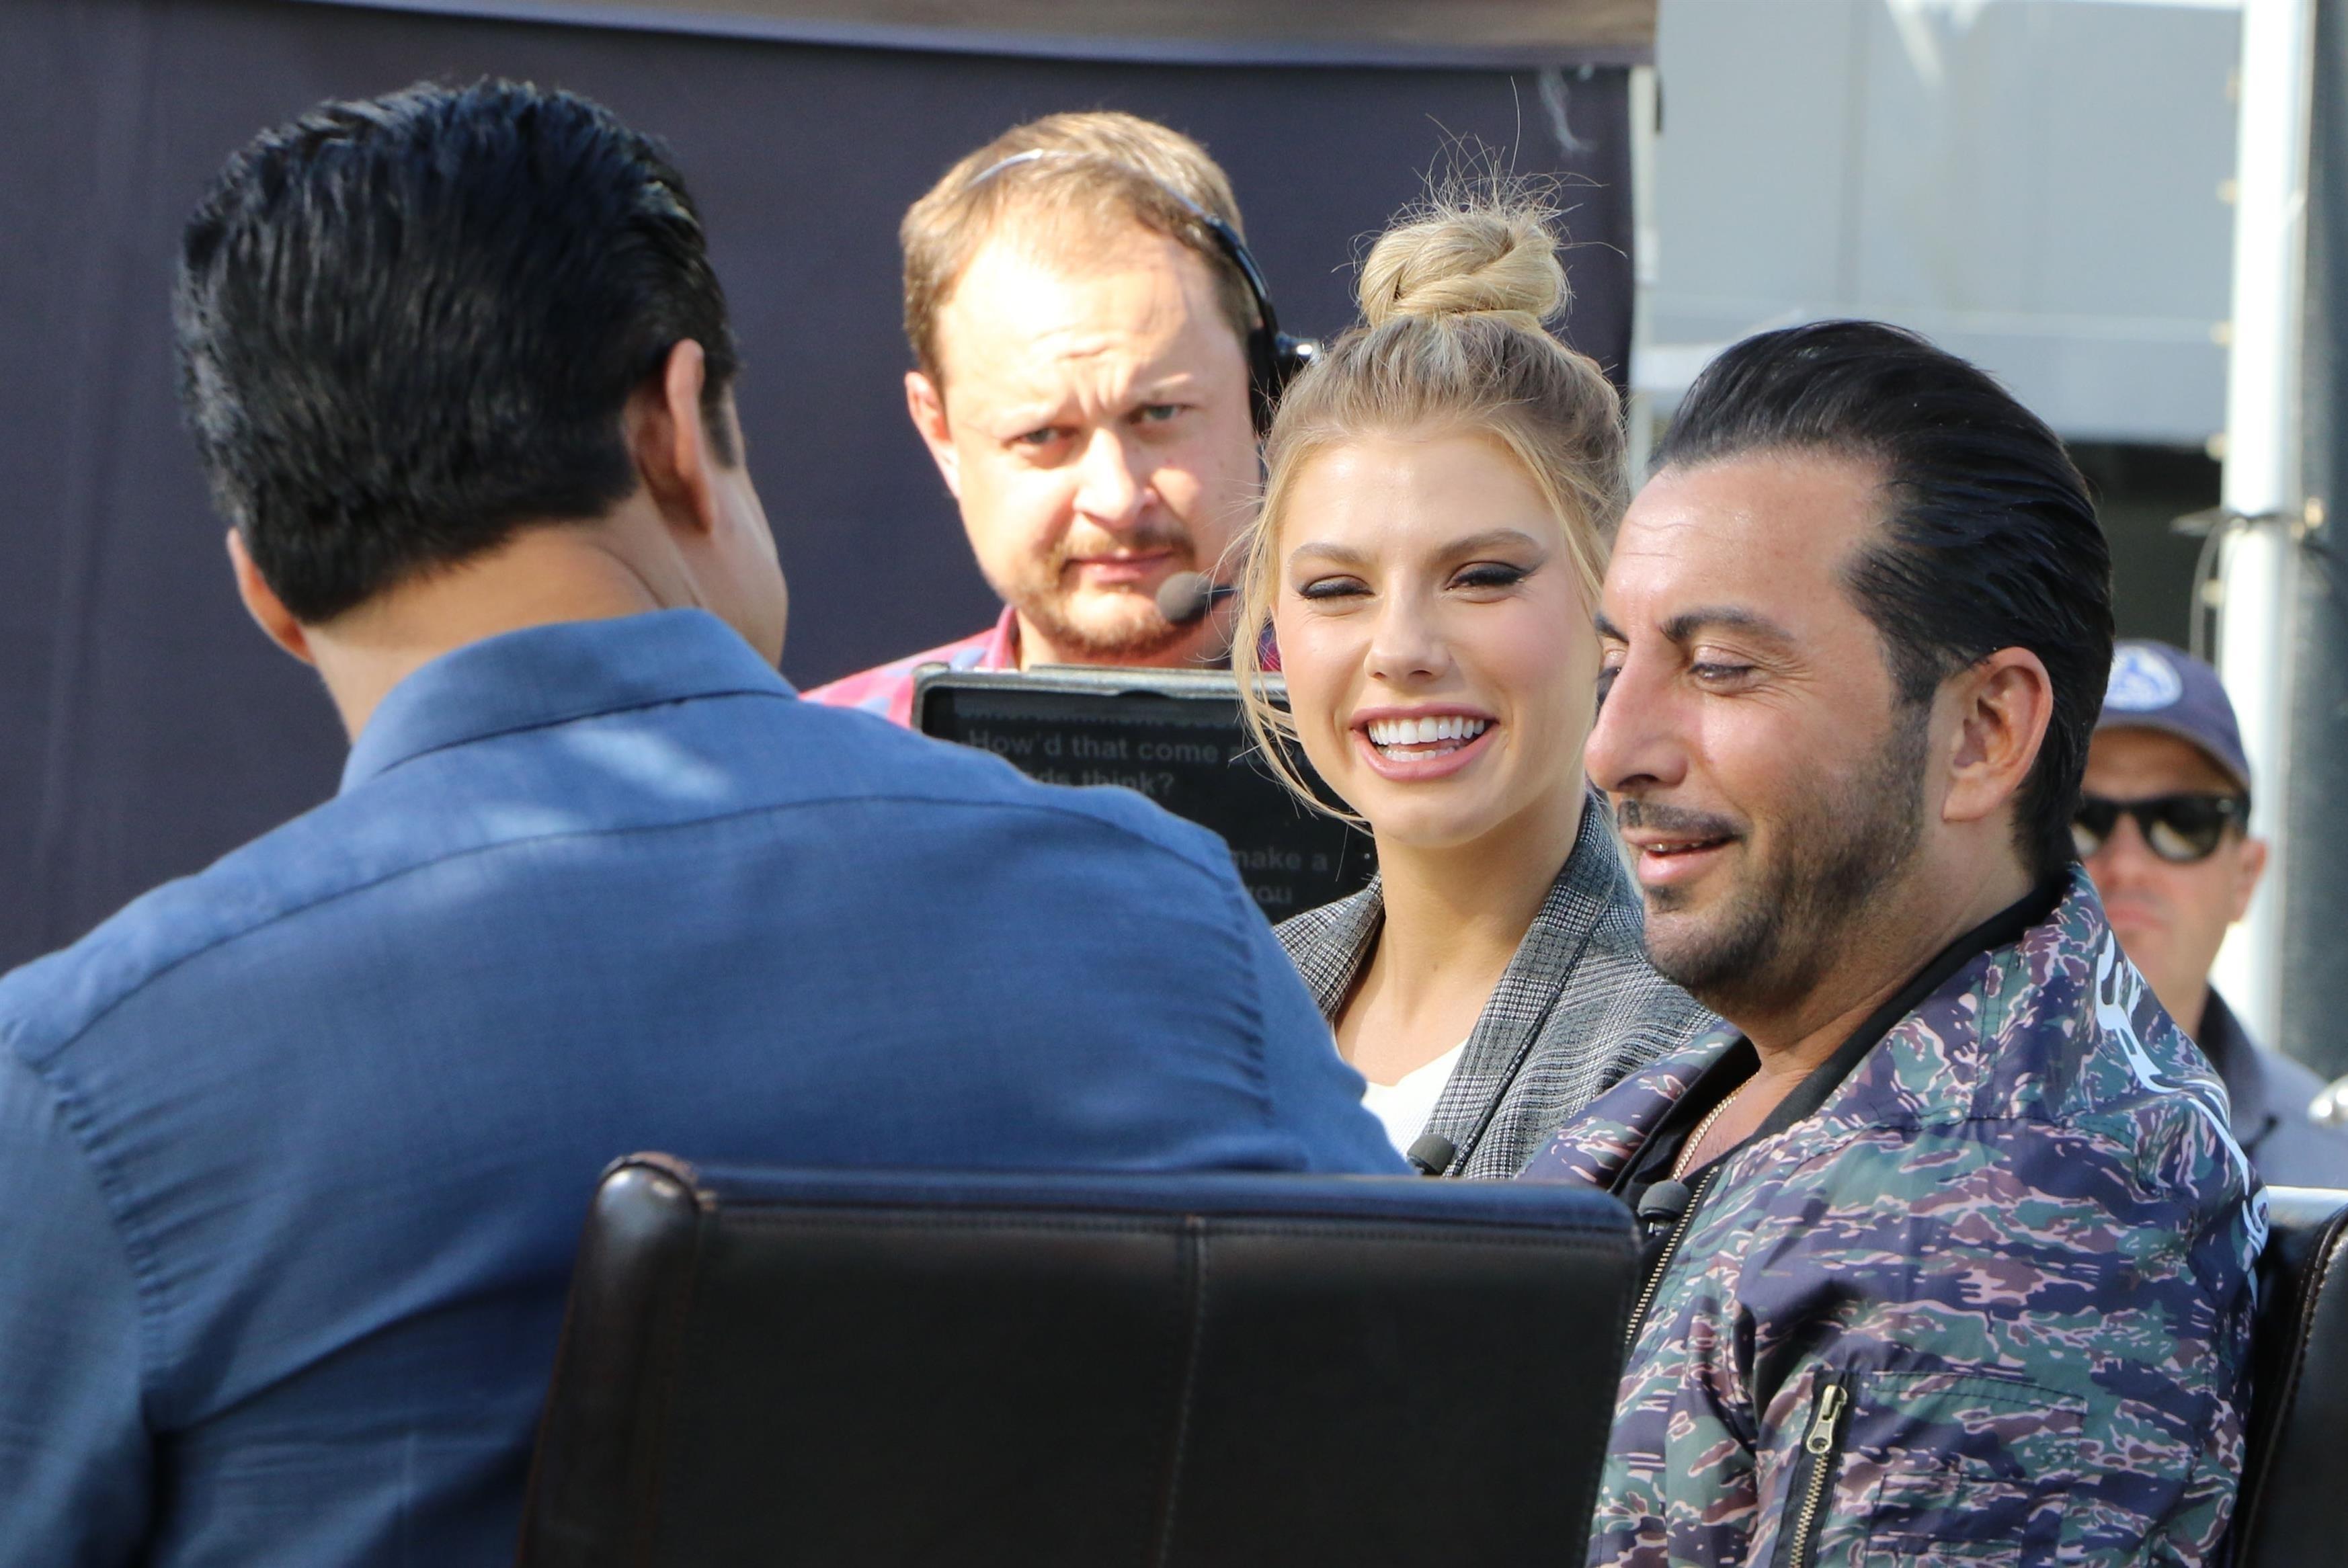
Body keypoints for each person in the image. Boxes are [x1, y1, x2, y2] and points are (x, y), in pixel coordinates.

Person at [0, 81, 1401, 1567]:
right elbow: (1433, 1435)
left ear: (267, 590)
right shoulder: (1166, 918)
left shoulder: (79, 1084)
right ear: (678, 428)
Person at [1524, 321, 2261, 1565]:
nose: (1613, 747)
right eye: (1615, 662)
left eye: (1721, 667)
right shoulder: (1755, 1068)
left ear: (1983, 730)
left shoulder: (2001, 1217)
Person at [1231, 196, 1715, 1177]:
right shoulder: (1224, 1007)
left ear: (1609, 598)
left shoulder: (1698, 1046)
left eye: (1483, 577)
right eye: (1336, 589)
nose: (1402, 648)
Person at [806, 112, 1266, 724]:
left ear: (1264, 389)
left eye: (1159, 413)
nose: (1116, 499)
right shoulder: (820, 762)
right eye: (1042, 435)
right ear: (941, 435)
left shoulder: (1392, 746)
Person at [2080, 639, 2348, 1185]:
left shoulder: (2334, 1170)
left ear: (2245, 876)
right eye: (2079, 816)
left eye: (2184, 821)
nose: (2127, 865)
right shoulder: (1908, 1124)